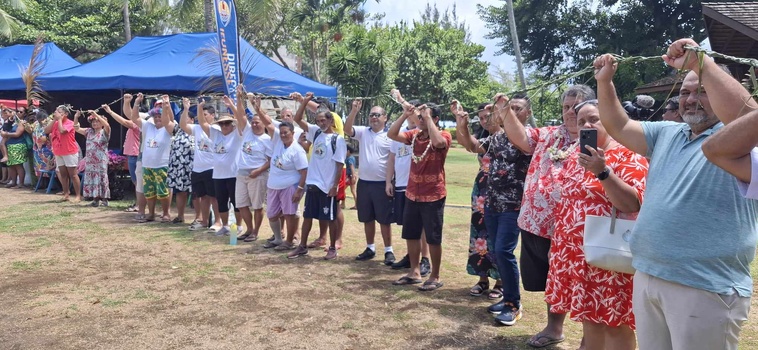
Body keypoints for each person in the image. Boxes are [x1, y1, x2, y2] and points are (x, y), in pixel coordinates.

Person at [593, 38, 758, 350]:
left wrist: (701, 63)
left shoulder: (742, 143)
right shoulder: (669, 132)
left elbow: (746, 116)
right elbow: (619, 124)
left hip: (705, 286)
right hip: (649, 274)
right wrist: (605, 83)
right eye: (685, 92)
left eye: (703, 91)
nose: (691, 99)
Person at [500, 85, 595, 348]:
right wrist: (505, 109)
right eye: (565, 107)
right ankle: (554, 329)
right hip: (536, 222)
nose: (570, 113)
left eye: (575, 107)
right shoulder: (549, 135)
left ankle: (591, 339)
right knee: (552, 280)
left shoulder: (595, 138)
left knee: (584, 283)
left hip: (576, 228)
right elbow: (521, 138)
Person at [550, 99, 648, 349]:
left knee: (615, 324)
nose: (587, 125)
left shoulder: (628, 153)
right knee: (590, 320)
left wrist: (603, 172)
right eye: (581, 121)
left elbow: (632, 203)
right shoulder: (577, 154)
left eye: (594, 119)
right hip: (577, 256)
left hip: (609, 255)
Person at [456, 96, 533, 326]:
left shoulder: (529, 136)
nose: (512, 111)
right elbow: (473, 146)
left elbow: (523, 146)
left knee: (504, 251)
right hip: (492, 203)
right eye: (510, 108)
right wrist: (463, 124)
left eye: (517, 109)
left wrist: (504, 111)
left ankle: (513, 305)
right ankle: (508, 297)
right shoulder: (498, 136)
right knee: (497, 252)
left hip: (513, 205)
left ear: (527, 114)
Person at [388, 99, 451, 292]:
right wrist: (406, 114)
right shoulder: (414, 135)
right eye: (421, 117)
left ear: (435, 118)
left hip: (433, 195)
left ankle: (435, 275)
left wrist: (428, 118)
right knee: (411, 234)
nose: (421, 120)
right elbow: (392, 134)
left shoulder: (444, 135)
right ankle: (414, 272)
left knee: (433, 237)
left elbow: (439, 142)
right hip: (412, 193)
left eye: (425, 117)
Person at [288, 92, 347, 259]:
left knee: (330, 217)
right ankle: (302, 246)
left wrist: (335, 185)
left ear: (330, 121)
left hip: (327, 185)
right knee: (308, 216)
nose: (321, 123)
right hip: (313, 183)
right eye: (318, 120)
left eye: (324, 120)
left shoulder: (338, 140)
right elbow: (298, 119)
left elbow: (339, 163)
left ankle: (332, 248)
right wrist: (304, 101)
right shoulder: (316, 133)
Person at [344, 99, 396, 265]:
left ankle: (389, 250)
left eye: (377, 115)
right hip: (365, 183)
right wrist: (353, 111)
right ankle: (370, 247)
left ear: (385, 118)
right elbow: (347, 130)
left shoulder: (391, 136)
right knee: (367, 217)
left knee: (384, 219)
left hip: (382, 183)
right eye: (371, 115)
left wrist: (390, 182)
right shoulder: (363, 132)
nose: (374, 117)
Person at [458, 102, 500, 299]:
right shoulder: (485, 139)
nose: (485, 121)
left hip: (503, 192)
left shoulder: (511, 136)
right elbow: (469, 145)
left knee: (499, 238)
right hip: (481, 191)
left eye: (488, 116)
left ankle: (501, 282)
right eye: (481, 118)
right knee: (479, 236)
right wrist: (462, 124)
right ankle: (482, 279)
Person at [386, 99, 432, 276]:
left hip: (418, 185)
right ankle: (411, 255)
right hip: (401, 184)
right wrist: (388, 181)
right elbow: (392, 158)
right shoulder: (401, 134)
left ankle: (425, 259)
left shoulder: (421, 133)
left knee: (422, 226)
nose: (407, 112)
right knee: (409, 225)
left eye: (410, 110)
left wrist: (400, 98)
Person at [258, 109, 308, 249]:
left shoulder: (297, 150)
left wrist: (299, 190)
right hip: (273, 185)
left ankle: (289, 242)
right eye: (282, 133)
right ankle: (279, 239)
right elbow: (267, 122)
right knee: (272, 214)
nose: (283, 135)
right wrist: (257, 108)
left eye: (286, 132)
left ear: (293, 133)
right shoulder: (278, 142)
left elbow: (304, 171)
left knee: (289, 214)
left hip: (290, 186)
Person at [198, 95, 244, 237]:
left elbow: (241, 120)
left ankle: (238, 226)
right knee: (221, 202)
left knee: (237, 203)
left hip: (233, 174)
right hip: (218, 175)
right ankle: (225, 226)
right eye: (222, 124)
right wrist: (200, 107)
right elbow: (202, 122)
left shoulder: (237, 134)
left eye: (227, 124)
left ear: (232, 125)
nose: (224, 126)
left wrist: (231, 105)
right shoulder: (216, 134)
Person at [130, 93, 175, 222]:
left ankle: (166, 213)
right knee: (149, 191)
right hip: (147, 165)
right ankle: (151, 214)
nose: (157, 118)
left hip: (162, 164)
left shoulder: (168, 128)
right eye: (155, 116)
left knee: (163, 191)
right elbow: (134, 118)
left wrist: (167, 105)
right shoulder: (148, 126)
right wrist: (137, 102)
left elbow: (171, 119)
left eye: (160, 116)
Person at [180, 102, 223, 232]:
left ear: (213, 115)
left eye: (205, 115)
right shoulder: (197, 128)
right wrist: (186, 109)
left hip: (212, 167)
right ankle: (204, 221)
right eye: (201, 115)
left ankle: (218, 221)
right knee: (203, 197)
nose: (202, 117)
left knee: (214, 197)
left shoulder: (217, 129)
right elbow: (182, 125)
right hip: (197, 168)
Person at [235, 94, 271, 242]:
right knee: (241, 204)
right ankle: (248, 229)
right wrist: (239, 98)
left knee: (257, 206)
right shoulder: (248, 131)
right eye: (254, 122)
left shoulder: (268, 139)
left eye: (258, 122)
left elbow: (270, 161)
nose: (255, 124)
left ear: (263, 124)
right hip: (241, 174)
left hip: (258, 175)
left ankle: (255, 232)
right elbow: (240, 115)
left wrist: (259, 171)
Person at [102, 103, 141, 212]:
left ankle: (139, 205)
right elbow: (127, 115)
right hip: (132, 155)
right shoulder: (136, 124)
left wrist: (110, 112)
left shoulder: (138, 125)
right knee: (135, 182)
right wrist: (127, 101)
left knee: (137, 182)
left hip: (135, 155)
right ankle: (139, 203)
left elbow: (123, 121)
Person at [167, 100, 197, 225]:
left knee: (196, 193)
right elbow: (166, 121)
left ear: (192, 120)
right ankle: (180, 216)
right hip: (178, 167)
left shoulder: (196, 130)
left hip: (192, 165)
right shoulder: (176, 130)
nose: (182, 121)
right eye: (181, 118)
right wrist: (166, 106)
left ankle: (199, 218)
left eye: (186, 118)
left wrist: (186, 109)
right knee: (180, 192)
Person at [76, 110, 111, 207]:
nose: (95, 123)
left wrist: (96, 115)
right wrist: (76, 117)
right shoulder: (89, 132)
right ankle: (95, 200)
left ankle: (104, 199)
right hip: (90, 161)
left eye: (97, 121)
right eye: (93, 121)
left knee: (101, 178)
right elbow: (77, 128)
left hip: (100, 161)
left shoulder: (104, 132)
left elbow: (107, 126)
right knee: (92, 178)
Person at [46, 105, 82, 202]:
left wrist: (59, 120)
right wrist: (54, 120)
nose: (56, 113)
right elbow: (46, 130)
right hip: (59, 151)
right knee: (63, 174)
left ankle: (78, 195)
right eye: (56, 111)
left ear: (65, 114)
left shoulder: (70, 123)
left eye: (59, 111)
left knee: (73, 174)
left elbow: (62, 131)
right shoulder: (56, 122)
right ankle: (66, 194)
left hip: (69, 151)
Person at [0, 108, 29, 188]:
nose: (18, 113)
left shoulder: (22, 122)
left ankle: (21, 183)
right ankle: (13, 182)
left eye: (21, 112)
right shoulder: (15, 122)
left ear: (24, 114)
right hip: (11, 145)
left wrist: (6, 134)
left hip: (18, 145)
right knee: (11, 165)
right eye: (17, 111)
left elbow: (17, 134)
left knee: (18, 165)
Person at [30, 110, 56, 181]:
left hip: (47, 149)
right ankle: (41, 183)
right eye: (38, 120)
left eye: (41, 119)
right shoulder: (35, 124)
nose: (40, 121)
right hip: (37, 149)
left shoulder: (50, 123)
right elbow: (31, 130)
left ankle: (52, 184)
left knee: (49, 166)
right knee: (38, 167)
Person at [342, 145, 357, 210]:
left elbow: (351, 167)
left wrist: (353, 176)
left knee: (342, 189)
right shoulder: (352, 158)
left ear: (348, 151)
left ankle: (343, 204)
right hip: (351, 176)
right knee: (353, 191)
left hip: (349, 176)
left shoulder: (349, 159)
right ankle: (356, 204)